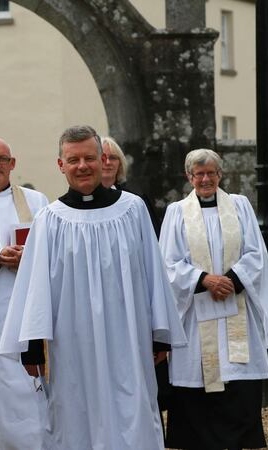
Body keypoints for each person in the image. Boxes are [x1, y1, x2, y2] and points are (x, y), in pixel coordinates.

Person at [0, 125, 187, 449]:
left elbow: (152, 273)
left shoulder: (132, 210)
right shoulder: (50, 220)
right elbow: (35, 288)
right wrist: (31, 347)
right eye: (73, 160)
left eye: (89, 158)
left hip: (127, 337)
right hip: (71, 344)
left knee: (133, 411)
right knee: (73, 415)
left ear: (103, 160)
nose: (82, 166)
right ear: (61, 165)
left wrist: (160, 335)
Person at [159, 148, 268, 450]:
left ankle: (237, 440)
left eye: (211, 173)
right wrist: (204, 279)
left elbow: (255, 252)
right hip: (197, 312)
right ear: (189, 177)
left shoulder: (239, 206)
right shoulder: (176, 212)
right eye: (199, 174)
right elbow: (168, 263)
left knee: (236, 377)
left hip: (235, 307)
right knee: (199, 379)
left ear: (220, 175)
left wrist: (232, 280)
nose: (206, 179)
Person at [0, 138, 48, 450]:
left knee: (26, 380)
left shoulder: (37, 201)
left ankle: (33, 441)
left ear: (13, 164)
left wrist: (25, 258)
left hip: (25, 303)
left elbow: (50, 248)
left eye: (3, 159)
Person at [100, 136, 170, 418]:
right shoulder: (67, 212)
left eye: (112, 157)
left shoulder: (136, 204)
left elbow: (154, 259)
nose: (106, 162)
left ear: (120, 165)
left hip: (132, 302)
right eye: (101, 157)